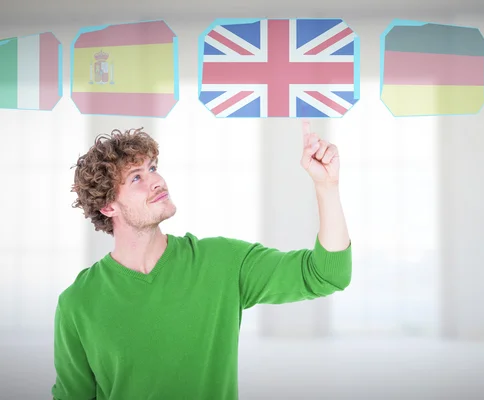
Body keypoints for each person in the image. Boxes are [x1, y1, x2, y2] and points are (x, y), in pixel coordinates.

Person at [51, 126, 352, 400]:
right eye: (137, 177)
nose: (157, 180)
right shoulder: (78, 303)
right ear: (108, 206)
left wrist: (327, 186)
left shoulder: (222, 262)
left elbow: (326, 274)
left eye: (153, 168)